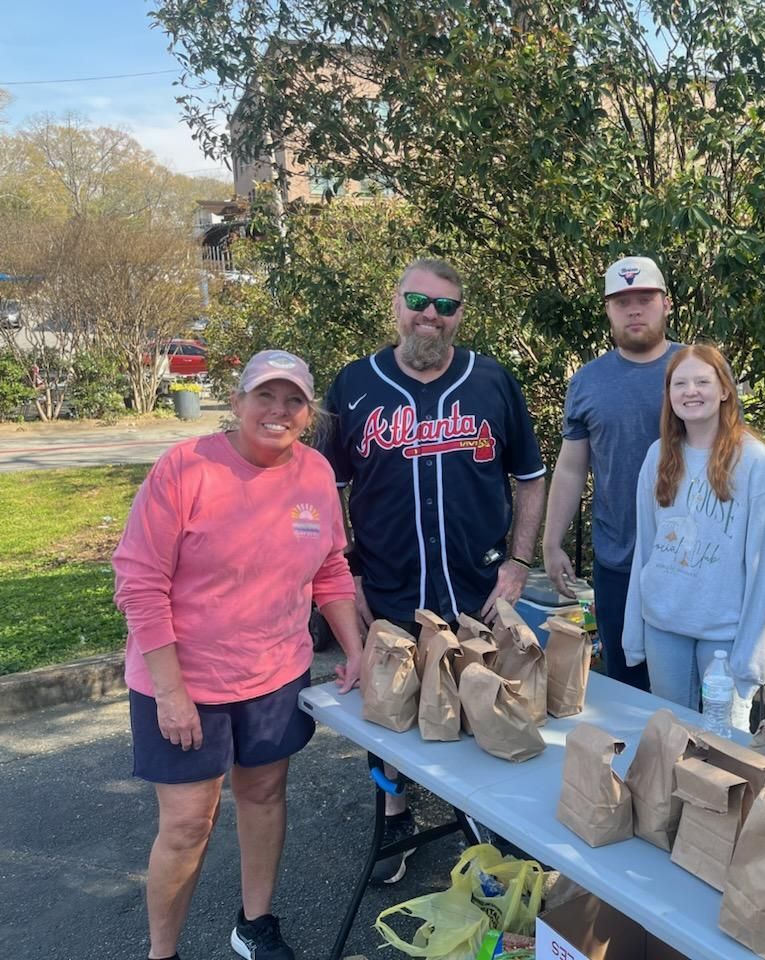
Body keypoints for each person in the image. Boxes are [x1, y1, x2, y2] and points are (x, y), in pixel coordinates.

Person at [113, 350, 364, 960]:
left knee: (263, 795)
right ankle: (162, 952)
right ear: (238, 400)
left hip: (275, 674)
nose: (278, 411)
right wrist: (171, 694)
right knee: (186, 826)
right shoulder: (186, 468)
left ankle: (254, 924)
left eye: (293, 400)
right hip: (184, 682)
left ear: (309, 413)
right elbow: (140, 582)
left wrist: (356, 647)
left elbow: (330, 568)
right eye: (265, 396)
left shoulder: (313, 474)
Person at [320, 257, 546, 883]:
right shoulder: (354, 385)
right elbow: (325, 490)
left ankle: (487, 830)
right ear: (396, 305)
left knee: (482, 708)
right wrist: (348, 575)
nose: (430, 315)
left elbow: (530, 478)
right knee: (392, 713)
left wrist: (520, 562)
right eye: (418, 300)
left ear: (459, 316)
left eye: (445, 305)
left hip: (476, 588)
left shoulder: (491, 382)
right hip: (390, 584)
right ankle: (397, 812)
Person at [620, 343, 765, 731]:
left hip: (725, 635)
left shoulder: (755, 463)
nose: (690, 391)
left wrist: (752, 659)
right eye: (680, 383)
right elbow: (644, 549)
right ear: (669, 395)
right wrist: (635, 633)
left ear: (725, 389)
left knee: (725, 749)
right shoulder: (657, 456)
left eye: (702, 381)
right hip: (664, 625)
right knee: (670, 738)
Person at [543, 255, 681, 691]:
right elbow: (570, 468)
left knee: (689, 696)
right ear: (608, 309)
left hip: (691, 565)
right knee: (627, 690)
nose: (634, 309)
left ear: (666, 304)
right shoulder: (588, 381)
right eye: (623, 302)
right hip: (618, 563)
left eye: (645, 299)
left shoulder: (698, 371)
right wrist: (551, 542)